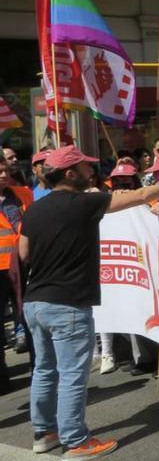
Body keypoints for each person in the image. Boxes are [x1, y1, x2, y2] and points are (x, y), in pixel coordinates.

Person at [19, 146, 159, 457]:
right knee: (71, 373)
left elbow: (24, 254)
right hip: (67, 302)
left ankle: (44, 434)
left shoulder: (35, 209)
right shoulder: (84, 202)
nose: (91, 172)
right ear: (70, 173)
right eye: (85, 168)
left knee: (44, 370)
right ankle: (75, 440)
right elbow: (138, 196)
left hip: (34, 302)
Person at [0, 155, 32, 393]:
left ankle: (39, 370)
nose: (4, 175)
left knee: (30, 319)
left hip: (23, 265)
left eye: (5, 170)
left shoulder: (23, 193)